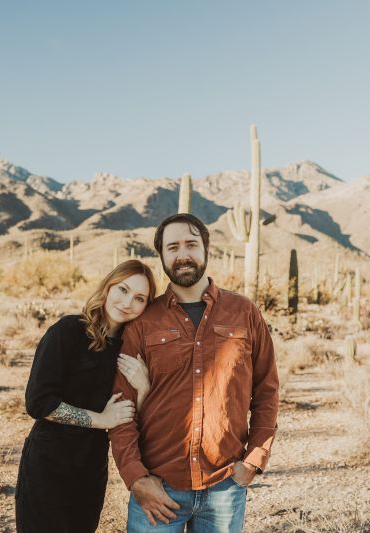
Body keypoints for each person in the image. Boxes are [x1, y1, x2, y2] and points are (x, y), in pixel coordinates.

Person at [109, 213, 279, 533]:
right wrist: (136, 477)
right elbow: (122, 408)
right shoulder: (143, 322)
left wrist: (253, 461)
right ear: (161, 256)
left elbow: (267, 389)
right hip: (159, 486)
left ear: (206, 250)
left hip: (225, 485)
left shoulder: (244, 312)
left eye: (191, 244)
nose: (183, 254)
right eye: (172, 247)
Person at [16, 259, 157, 533]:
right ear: (108, 287)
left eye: (139, 298)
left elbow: (131, 418)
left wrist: (144, 387)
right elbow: (38, 402)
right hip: (48, 464)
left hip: (91, 468)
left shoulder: (130, 351)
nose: (127, 302)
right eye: (123, 290)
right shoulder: (67, 331)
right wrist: (100, 420)